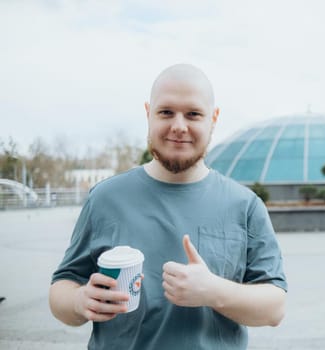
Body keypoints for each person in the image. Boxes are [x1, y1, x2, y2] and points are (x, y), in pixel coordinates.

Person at [49, 64, 287, 349]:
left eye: (193, 114)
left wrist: (213, 291)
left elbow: (274, 308)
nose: (178, 125)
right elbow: (61, 288)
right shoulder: (105, 198)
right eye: (166, 112)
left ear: (213, 118)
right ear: (148, 113)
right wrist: (79, 301)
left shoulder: (245, 206)